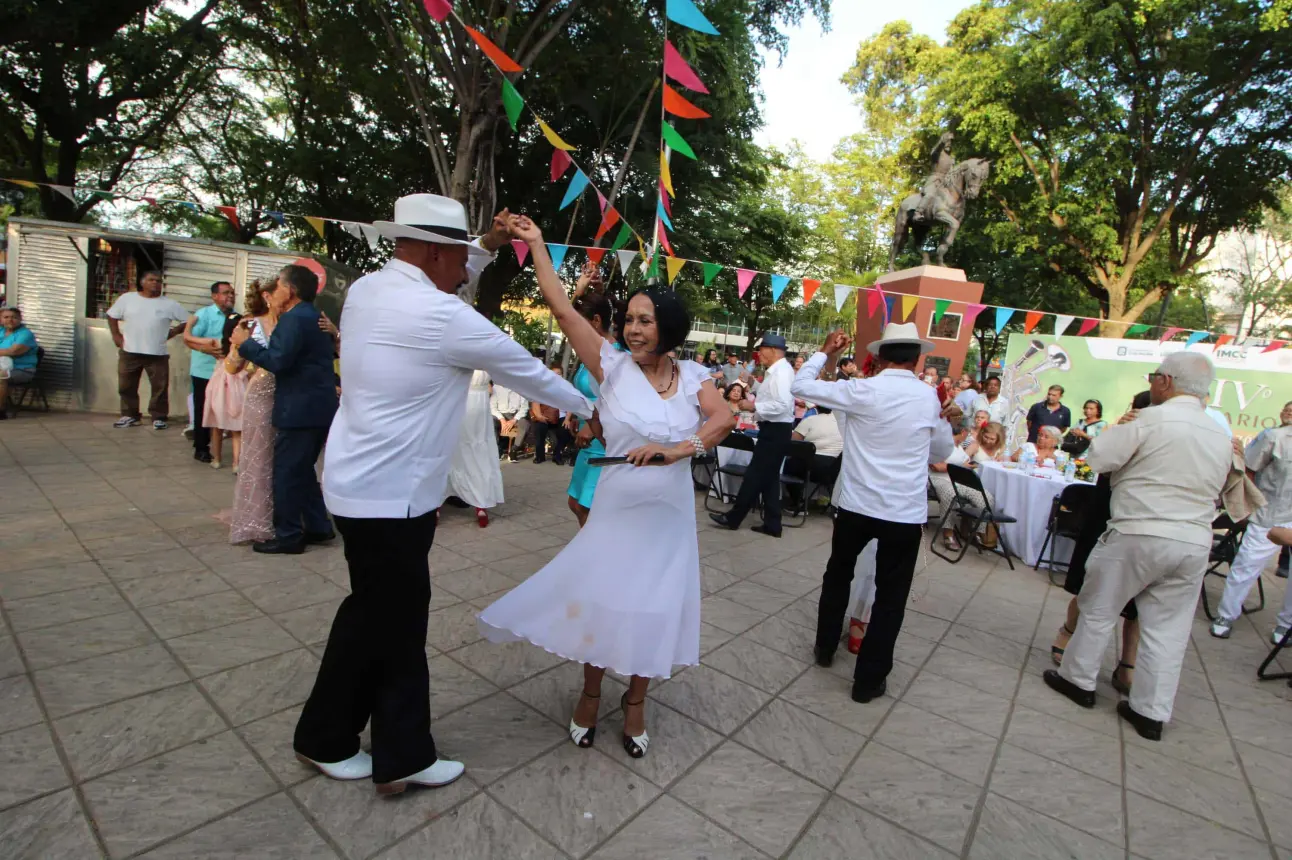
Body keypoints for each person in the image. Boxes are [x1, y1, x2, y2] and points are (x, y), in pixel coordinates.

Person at [292, 196, 589, 795]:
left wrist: (486, 244)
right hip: (394, 499)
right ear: (433, 252)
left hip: (356, 489)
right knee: (397, 630)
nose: (467, 272)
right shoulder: (441, 316)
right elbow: (525, 369)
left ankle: (323, 737)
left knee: (366, 619)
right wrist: (599, 408)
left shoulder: (369, 291)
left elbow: (449, 273)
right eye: (460, 260)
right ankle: (400, 759)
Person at [478, 214, 732, 760]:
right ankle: (591, 695)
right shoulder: (610, 365)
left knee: (653, 609)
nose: (634, 329)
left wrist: (680, 448)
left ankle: (636, 704)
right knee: (605, 604)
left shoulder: (693, 378)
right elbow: (563, 308)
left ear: (669, 326)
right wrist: (538, 246)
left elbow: (723, 420)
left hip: (666, 520)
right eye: (629, 320)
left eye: (646, 320)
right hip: (617, 511)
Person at [1044, 352, 1231, 741]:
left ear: (1165, 381)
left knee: (1098, 609)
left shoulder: (1149, 419)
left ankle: (1078, 680)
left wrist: (1121, 427)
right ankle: (1150, 711)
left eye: (1153, 378)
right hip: (1193, 539)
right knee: (1168, 630)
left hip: (1139, 530)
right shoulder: (1220, 433)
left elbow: (1099, 458)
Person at [792, 323, 960, 703]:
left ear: (881, 357)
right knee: (891, 597)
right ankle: (867, 681)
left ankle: (824, 647)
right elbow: (940, 453)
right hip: (904, 512)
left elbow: (800, 386)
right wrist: (945, 422)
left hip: (857, 505)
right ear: (918, 359)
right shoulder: (929, 398)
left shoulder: (862, 389)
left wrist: (824, 351)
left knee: (838, 575)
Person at [229, 265, 338, 554]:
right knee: (301, 471)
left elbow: (278, 361)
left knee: (288, 473)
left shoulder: (293, 319)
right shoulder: (314, 317)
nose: (273, 294)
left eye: (277, 287)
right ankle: (318, 526)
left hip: (298, 408)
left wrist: (245, 345)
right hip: (318, 406)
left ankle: (289, 535)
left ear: (289, 290)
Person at [1051, 391, 1152, 690]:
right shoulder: (1124, 432)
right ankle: (1068, 632)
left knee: (1138, 604)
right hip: (1107, 515)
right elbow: (1098, 464)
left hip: (1143, 522)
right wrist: (1119, 432)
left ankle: (1127, 664)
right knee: (1090, 587)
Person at [1209, 400, 1292, 642]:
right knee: (1246, 566)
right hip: (1270, 514)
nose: (1288, 411)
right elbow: (1249, 469)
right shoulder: (1274, 437)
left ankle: (1286, 627)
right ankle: (1226, 615)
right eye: (1286, 407)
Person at [709, 333, 795, 537]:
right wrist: (753, 384)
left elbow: (782, 405)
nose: (759, 354)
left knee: (755, 474)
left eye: (762, 350)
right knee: (770, 478)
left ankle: (734, 517)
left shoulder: (781, 373)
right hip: (774, 429)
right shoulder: (775, 372)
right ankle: (773, 524)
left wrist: (753, 405)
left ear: (773, 350)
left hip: (775, 429)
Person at [107, 270, 189, 430]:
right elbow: (112, 316)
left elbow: (188, 320)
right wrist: (116, 335)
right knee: (126, 386)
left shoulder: (169, 304)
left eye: (158, 281)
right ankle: (130, 415)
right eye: (151, 280)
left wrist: (173, 332)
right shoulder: (127, 299)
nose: (156, 283)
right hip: (130, 351)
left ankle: (158, 417)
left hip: (157, 354)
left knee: (159, 387)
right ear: (142, 282)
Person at [228, 281, 277, 545]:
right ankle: (257, 518)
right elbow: (233, 367)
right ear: (268, 296)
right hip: (260, 396)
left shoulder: (292, 323)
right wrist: (236, 348)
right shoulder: (250, 325)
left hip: (290, 397)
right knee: (258, 459)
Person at [565, 283, 616, 527]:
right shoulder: (590, 351)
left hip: (605, 441)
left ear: (596, 321)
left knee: (590, 508)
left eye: (580, 322)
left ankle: (599, 561)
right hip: (587, 441)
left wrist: (594, 421)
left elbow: (619, 398)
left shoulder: (614, 354)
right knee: (576, 504)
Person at [183, 281, 236, 461]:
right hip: (204, 370)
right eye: (226, 293)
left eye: (232, 293)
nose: (230, 296)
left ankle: (221, 447)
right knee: (202, 409)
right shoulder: (203, 315)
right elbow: (189, 340)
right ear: (214, 296)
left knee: (223, 409)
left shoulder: (236, 317)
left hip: (226, 371)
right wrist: (203, 348)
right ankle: (201, 448)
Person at [446, 370, 505, 528]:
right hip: (479, 403)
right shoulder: (488, 350)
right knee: (479, 453)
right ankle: (480, 506)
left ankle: (439, 504)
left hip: (460, 400)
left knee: (454, 450)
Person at [202, 313, 249, 471]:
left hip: (219, 387)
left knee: (218, 425)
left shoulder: (221, 345)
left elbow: (201, 346)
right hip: (236, 387)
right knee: (236, 428)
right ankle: (236, 463)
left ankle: (217, 459)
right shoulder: (243, 347)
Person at [785, 406, 843, 509]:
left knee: (789, 465)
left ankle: (796, 502)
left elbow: (792, 444)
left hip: (810, 468)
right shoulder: (841, 424)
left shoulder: (810, 420)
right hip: (835, 470)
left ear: (816, 408)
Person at [0, 307, 38, 418]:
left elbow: (14, 351)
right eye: (6, 317)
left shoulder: (25, 334)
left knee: (1, 376)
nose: (10, 320)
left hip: (22, 370)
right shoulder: (1, 331)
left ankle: (1, 410)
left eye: (14, 317)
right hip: (2, 365)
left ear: (20, 319)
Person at [490, 383, 529, 461]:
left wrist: (514, 420)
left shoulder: (520, 387)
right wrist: (502, 419)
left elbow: (524, 408)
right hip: (500, 414)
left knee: (525, 424)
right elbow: (492, 407)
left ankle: (514, 450)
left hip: (516, 415)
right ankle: (498, 449)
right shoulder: (496, 387)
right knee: (490, 421)